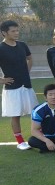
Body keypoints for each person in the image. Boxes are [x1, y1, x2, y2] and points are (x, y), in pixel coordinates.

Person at [0, 20, 39, 150]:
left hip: (26, 85)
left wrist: (26, 72)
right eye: (13, 31)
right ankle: (20, 142)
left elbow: (30, 58)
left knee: (35, 112)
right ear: (4, 33)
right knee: (15, 115)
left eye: (17, 30)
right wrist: (2, 80)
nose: (16, 33)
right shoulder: (1, 48)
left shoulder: (22, 45)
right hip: (12, 89)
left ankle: (40, 136)